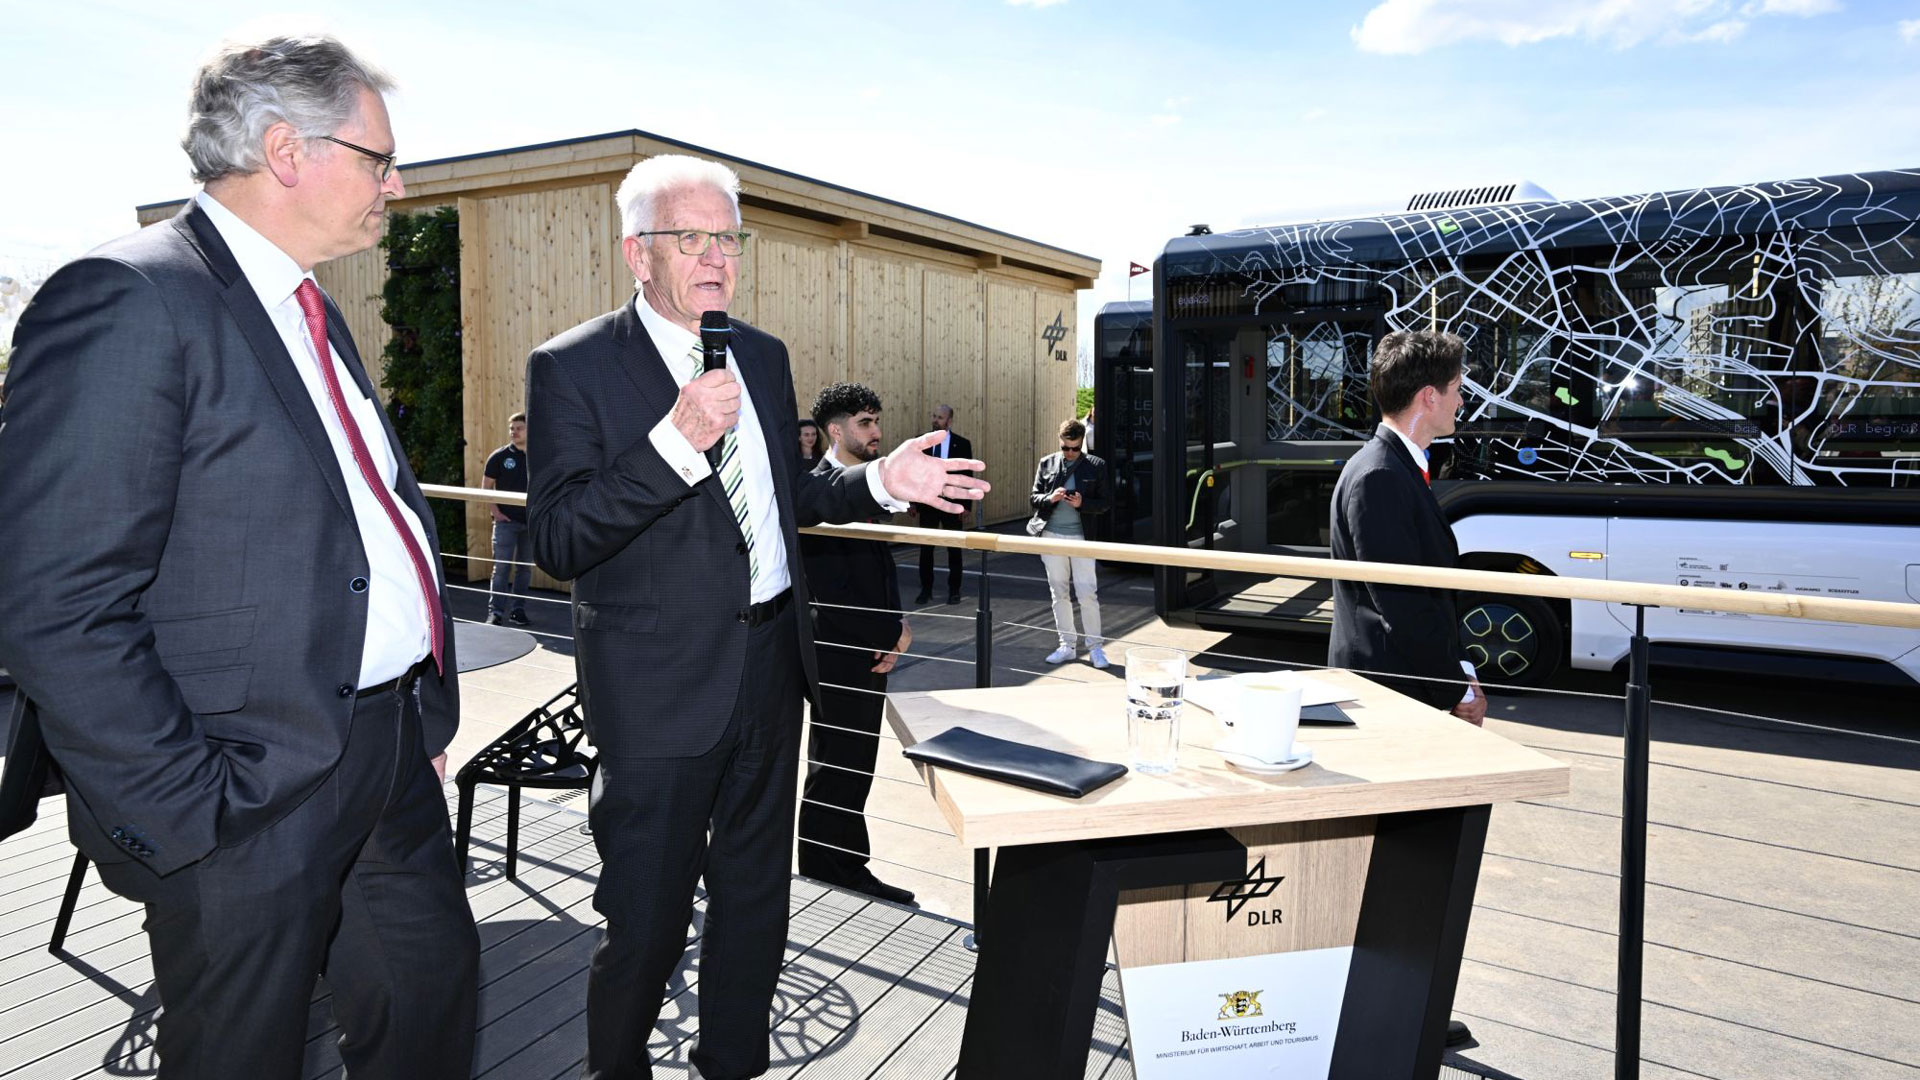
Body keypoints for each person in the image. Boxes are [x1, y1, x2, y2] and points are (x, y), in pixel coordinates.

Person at [0, 34, 478, 1080]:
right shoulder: (128, 296)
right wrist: (187, 808)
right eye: (380, 159)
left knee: (430, 1009)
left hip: (387, 752)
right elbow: (53, 603)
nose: (397, 185)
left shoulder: (310, 306)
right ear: (286, 150)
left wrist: (412, 712)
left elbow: (354, 520)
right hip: (241, 793)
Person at [524, 154, 986, 1080]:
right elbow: (560, 539)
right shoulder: (572, 366)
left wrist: (878, 481)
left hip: (773, 667)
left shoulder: (762, 356)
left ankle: (731, 1064)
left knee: (755, 901)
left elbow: (791, 497)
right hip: (657, 693)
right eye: (689, 237)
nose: (715, 257)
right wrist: (675, 441)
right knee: (647, 919)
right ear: (637, 253)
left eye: (728, 238)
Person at [795, 382, 915, 907]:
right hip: (837, 648)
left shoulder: (865, 487)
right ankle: (831, 869)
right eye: (865, 423)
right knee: (837, 762)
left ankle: (838, 865)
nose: (876, 432)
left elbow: (879, 567)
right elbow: (830, 589)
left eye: (876, 421)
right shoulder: (816, 490)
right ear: (835, 430)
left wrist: (899, 627)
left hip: (870, 645)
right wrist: (887, 637)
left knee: (855, 759)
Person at [1328, 328, 1487, 722]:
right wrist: (1458, 688)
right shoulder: (1379, 475)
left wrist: (1462, 670)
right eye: (1457, 389)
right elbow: (1403, 606)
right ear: (1429, 396)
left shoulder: (1391, 466)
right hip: (1384, 692)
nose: (1461, 401)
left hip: (1399, 683)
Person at [1027, 419, 1110, 668]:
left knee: (1087, 594)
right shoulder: (1047, 463)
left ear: (1082, 442)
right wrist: (1050, 498)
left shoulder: (1096, 465)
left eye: (1075, 448)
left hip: (1082, 538)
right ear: (1059, 441)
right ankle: (1067, 646)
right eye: (1065, 447)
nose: (1070, 453)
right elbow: (1034, 498)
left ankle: (1095, 648)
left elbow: (1106, 503)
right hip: (1051, 536)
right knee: (1059, 593)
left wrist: (1083, 504)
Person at [911, 404, 972, 604]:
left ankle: (954, 590)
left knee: (954, 549)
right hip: (928, 503)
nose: (935, 420)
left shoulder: (962, 444)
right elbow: (914, 473)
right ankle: (925, 589)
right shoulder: (921, 442)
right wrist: (912, 502)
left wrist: (966, 505)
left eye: (940, 417)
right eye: (934, 416)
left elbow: (967, 475)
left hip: (952, 503)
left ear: (949, 421)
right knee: (926, 549)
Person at [482, 411, 532, 624]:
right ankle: (495, 613)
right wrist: (496, 513)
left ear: (529, 430)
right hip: (505, 523)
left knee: (524, 569)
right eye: (512, 428)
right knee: (501, 568)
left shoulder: (538, 457)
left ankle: (518, 611)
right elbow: (486, 488)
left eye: (519, 428)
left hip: (530, 524)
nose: (514, 432)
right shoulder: (499, 456)